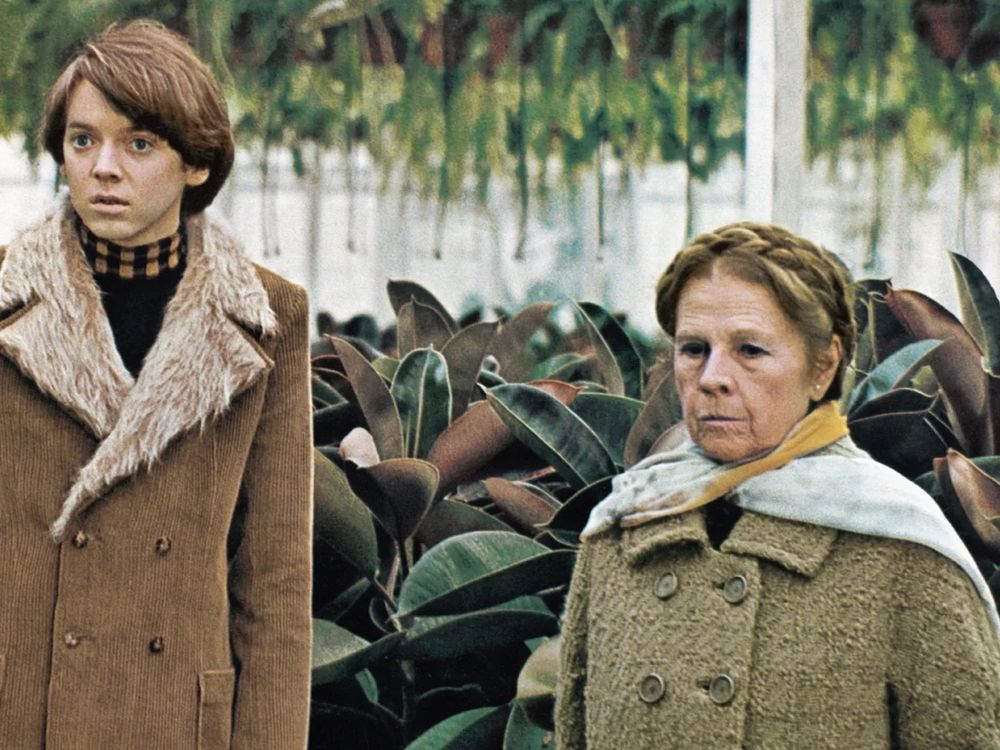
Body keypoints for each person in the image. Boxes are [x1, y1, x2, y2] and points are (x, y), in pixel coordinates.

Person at [555, 223, 1000, 748]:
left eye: (750, 350)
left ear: (823, 365)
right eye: (694, 348)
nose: (712, 376)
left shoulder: (906, 550)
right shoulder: (620, 529)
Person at [0, 20, 312, 748]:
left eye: (138, 144)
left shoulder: (268, 319)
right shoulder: (8, 304)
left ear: (196, 163)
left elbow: (274, 585)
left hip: (173, 718)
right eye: (83, 141)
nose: (104, 167)